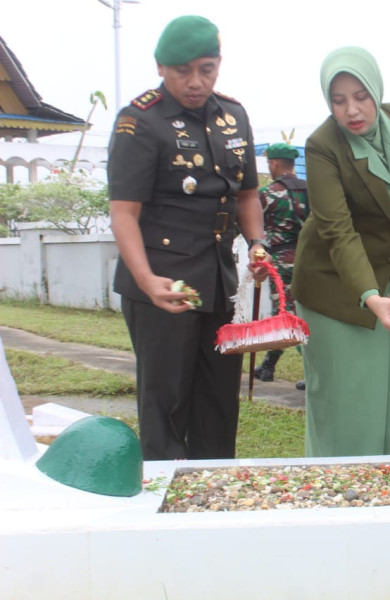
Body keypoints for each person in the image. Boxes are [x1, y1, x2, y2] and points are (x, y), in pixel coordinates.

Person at [108, 15, 268, 460]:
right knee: (166, 399)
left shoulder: (233, 116)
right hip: (163, 283)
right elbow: (123, 212)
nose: (196, 82)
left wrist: (257, 243)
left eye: (207, 69)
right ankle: (163, 500)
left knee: (219, 398)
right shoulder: (139, 122)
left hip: (219, 280)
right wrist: (145, 280)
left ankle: (213, 492)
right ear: (161, 67)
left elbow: (248, 195)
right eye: (183, 71)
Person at [292, 46, 390, 458]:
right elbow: (338, 231)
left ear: (376, 90)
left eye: (360, 96)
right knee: (352, 397)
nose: (352, 110)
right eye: (338, 100)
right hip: (337, 287)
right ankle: (344, 489)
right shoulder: (322, 145)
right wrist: (369, 296)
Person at [253, 143, 309, 390]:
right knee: (303, 316)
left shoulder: (266, 194)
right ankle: (268, 365)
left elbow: (252, 229)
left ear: (274, 163)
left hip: (280, 265)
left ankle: (314, 372)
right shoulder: (311, 191)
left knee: (288, 317)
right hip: (310, 262)